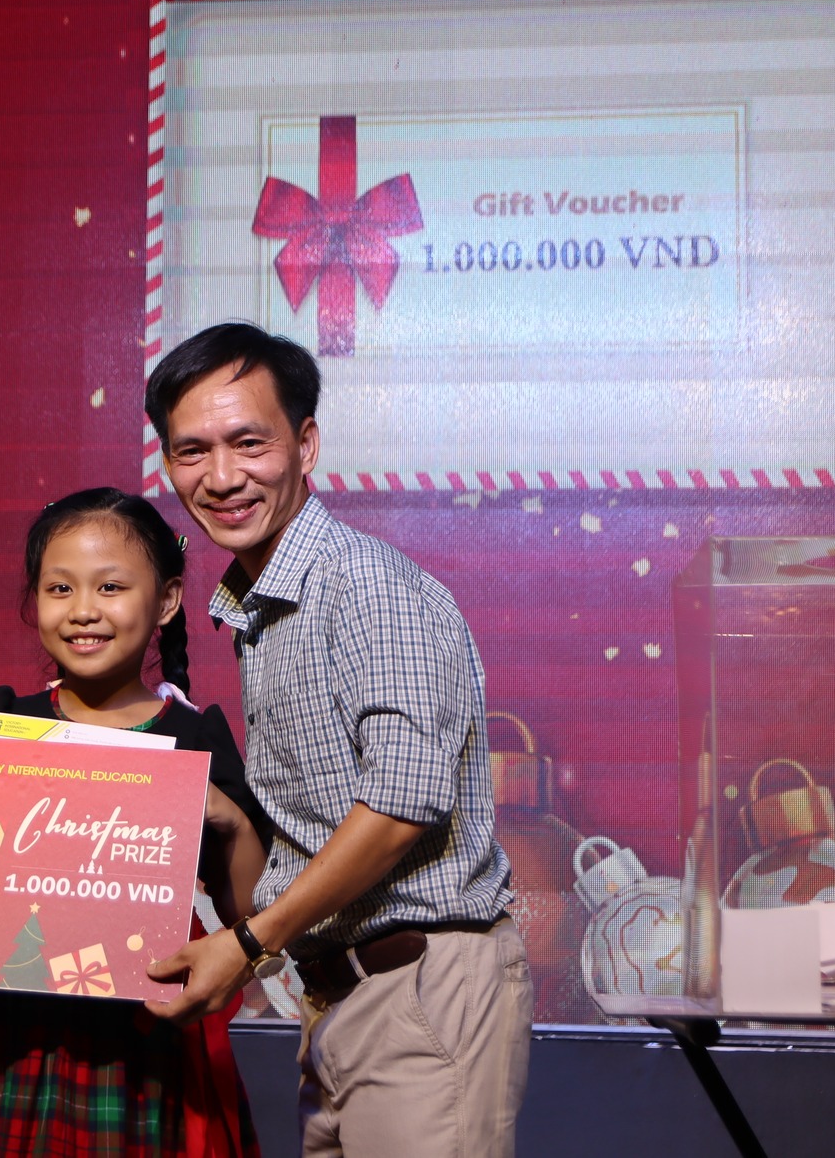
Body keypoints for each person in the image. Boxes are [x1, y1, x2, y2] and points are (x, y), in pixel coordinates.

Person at [141, 323, 530, 1158]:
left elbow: (399, 806)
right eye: (192, 451)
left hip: (420, 989)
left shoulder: (365, 587)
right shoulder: (265, 609)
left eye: (249, 442)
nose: (222, 477)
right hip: (341, 999)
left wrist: (249, 944)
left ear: (306, 443)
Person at [0, 488, 266, 1158]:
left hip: (134, 1047)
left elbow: (246, 911)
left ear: (166, 599)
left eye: (110, 587)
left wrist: (231, 822)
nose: (83, 610)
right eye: (60, 588)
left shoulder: (196, 738)